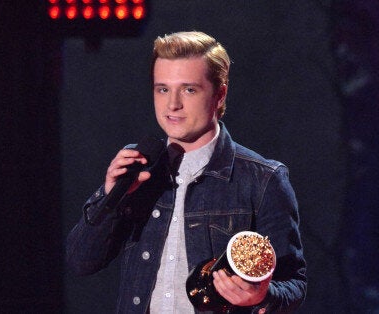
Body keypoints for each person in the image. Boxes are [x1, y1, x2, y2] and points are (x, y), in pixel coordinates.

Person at [66, 31, 306, 313]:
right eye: (163, 89)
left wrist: (261, 297)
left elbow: (294, 284)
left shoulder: (262, 179)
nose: (172, 104)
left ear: (220, 94)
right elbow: (81, 261)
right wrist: (110, 196)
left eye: (189, 89)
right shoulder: (138, 167)